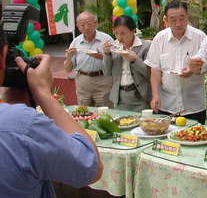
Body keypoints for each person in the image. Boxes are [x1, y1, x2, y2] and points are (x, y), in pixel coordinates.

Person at [0, 28, 103, 197]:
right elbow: (91, 167)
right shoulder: (23, 125)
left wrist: (15, 97)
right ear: (3, 56)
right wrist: (42, 93)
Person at [144, 0, 207, 124]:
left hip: (193, 105)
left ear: (187, 16)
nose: (178, 24)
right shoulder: (160, 38)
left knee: (195, 138)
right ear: (166, 20)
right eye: (173, 20)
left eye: (182, 18)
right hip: (167, 104)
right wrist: (155, 95)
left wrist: (193, 70)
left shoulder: (200, 37)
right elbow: (155, 69)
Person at [102, 15, 151, 112]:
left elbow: (149, 74)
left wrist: (135, 60)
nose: (119, 38)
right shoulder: (114, 48)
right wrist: (107, 54)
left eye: (123, 33)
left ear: (133, 31)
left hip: (141, 97)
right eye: (116, 34)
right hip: (120, 99)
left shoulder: (146, 46)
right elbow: (106, 72)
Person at [65, 12, 113, 107]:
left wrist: (102, 57)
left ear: (96, 23)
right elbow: (67, 70)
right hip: (83, 81)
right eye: (82, 25)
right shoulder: (76, 42)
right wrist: (69, 56)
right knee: (84, 111)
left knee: (105, 111)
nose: (86, 27)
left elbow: (116, 62)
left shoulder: (106, 39)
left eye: (89, 24)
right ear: (78, 26)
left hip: (103, 79)